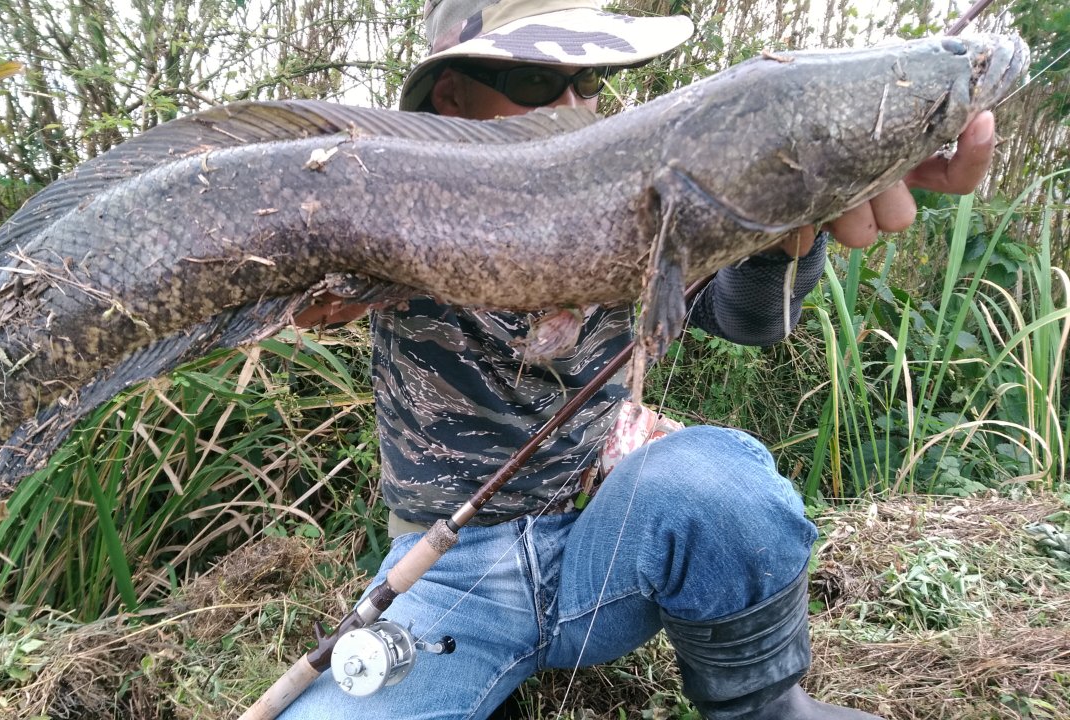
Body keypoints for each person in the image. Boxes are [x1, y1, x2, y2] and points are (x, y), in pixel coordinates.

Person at [282, 0, 997, 717]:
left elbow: (746, 319)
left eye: (588, 82)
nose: (571, 105)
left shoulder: (639, 192)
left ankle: (771, 706)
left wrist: (788, 229)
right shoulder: (390, 200)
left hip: (605, 536)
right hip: (444, 569)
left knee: (715, 479)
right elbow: (303, 279)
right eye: (533, 82)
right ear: (451, 97)